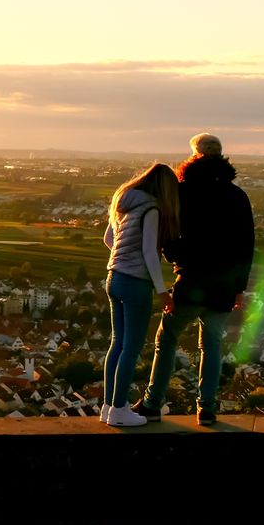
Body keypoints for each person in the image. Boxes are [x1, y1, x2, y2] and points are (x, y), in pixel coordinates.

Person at [134, 133, 254, 426]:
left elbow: (169, 233)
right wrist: (239, 288)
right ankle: (207, 408)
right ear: (221, 155)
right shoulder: (237, 196)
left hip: (191, 281)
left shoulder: (183, 192)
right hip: (224, 287)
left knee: (168, 339)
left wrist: (176, 260)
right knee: (212, 344)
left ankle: (152, 402)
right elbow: (246, 246)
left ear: (194, 154)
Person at [101, 162, 180, 427]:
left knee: (117, 344)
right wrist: (162, 291)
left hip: (114, 278)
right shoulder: (152, 209)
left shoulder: (123, 201)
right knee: (131, 349)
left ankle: (107, 407)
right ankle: (120, 409)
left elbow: (108, 239)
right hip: (136, 284)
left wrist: (122, 258)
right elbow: (149, 252)